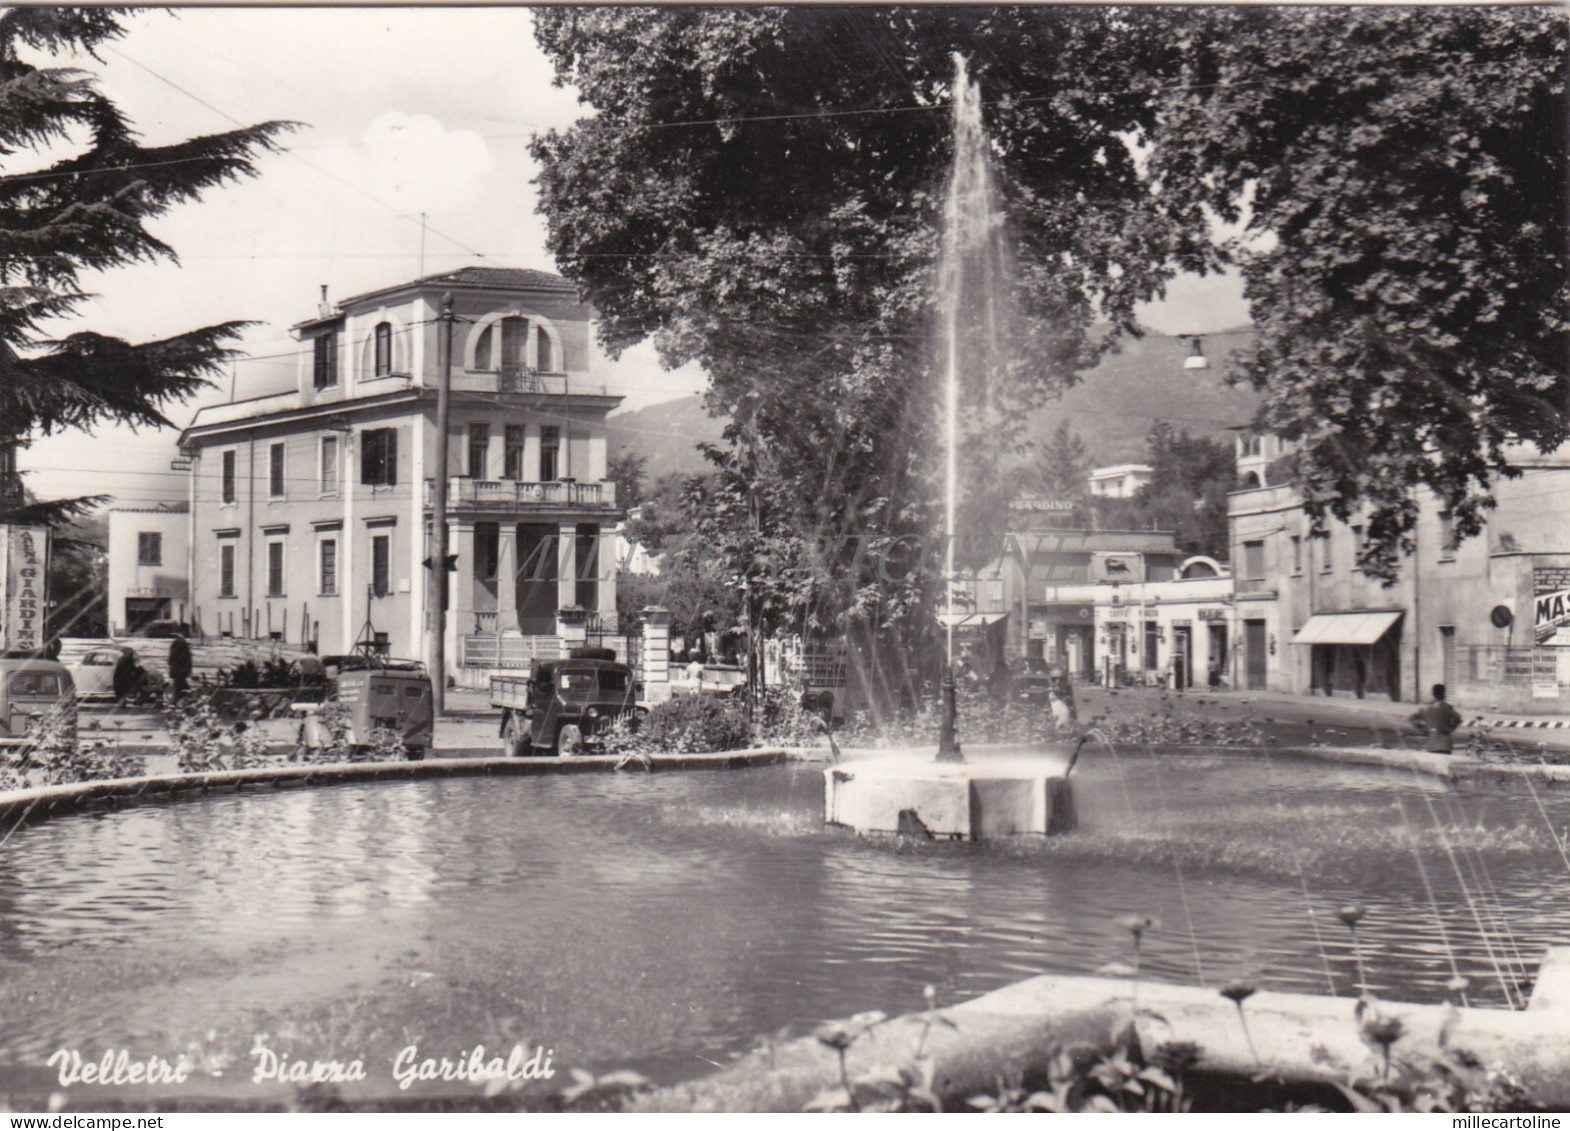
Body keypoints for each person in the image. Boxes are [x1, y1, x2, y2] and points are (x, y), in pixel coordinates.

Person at [1409, 683, 1463, 753]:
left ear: (1433, 694)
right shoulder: (1447, 707)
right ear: (1444, 694)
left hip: (1431, 742)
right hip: (1445, 742)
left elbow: (1413, 718)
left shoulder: (1426, 708)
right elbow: (1458, 718)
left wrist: (1422, 729)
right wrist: (1451, 728)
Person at [1046, 663, 1077, 728]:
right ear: (1049, 680)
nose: (1058, 682)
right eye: (1054, 679)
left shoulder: (1068, 700)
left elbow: (1073, 721)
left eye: (1061, 679)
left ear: (1066, 681)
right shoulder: (1041, 699)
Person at [167, 633, 193, 699]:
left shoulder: (176, 645)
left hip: (178, 671)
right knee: (181, 687)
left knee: (180, 687)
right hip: (181, 671)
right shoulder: (182, 645)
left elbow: (172, 660)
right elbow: (185, 660)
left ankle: (178, 701)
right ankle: (179, 700)